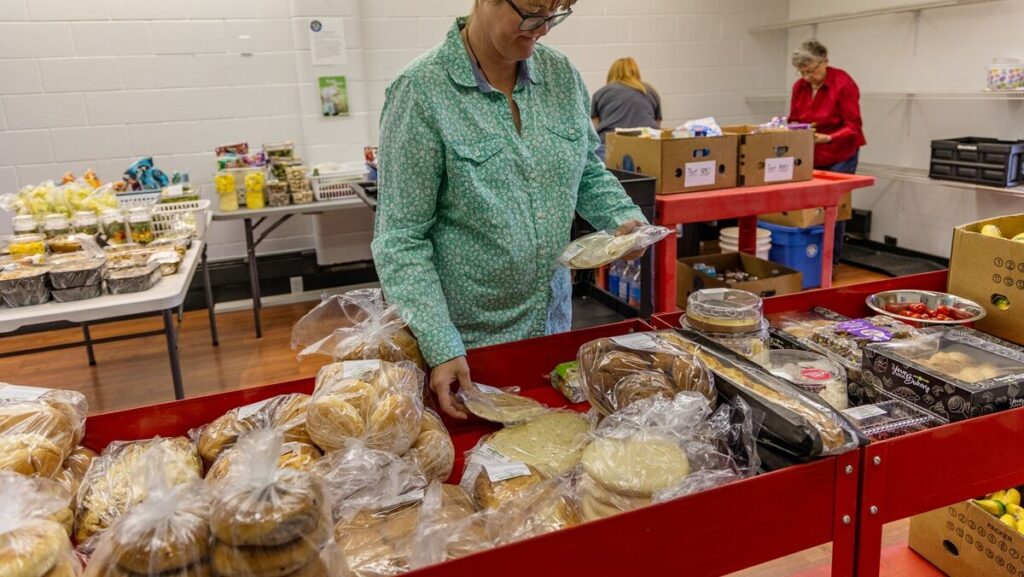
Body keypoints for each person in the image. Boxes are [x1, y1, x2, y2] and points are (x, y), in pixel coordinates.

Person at [371, 0, 649, 419]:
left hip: (551, 324)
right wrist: (441, 345)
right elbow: (401, 238)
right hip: (466, 347)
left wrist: (622, 219)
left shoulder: (561, 76)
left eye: (556, 14)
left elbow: (586, 170)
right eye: (534, 12)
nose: (543, 29)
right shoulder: (421, 91)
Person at [788, 39, 866, 269]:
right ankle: (809, 256)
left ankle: (831, 261)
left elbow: (854, 125)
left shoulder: (843, 83)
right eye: (801, 72)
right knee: (810, 204)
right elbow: (794, 120)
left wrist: (828, 137)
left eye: (811, 71)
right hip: (813, 153)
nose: (806, 77)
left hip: (840, 152)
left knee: (834, 206)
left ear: (825, 62)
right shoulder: (799, 87)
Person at [591, 57, 663, 161]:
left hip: (610, 146)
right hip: (647, 145)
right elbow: (658, 124)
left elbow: (595, 127)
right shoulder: (650, 91)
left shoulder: (601, 93)